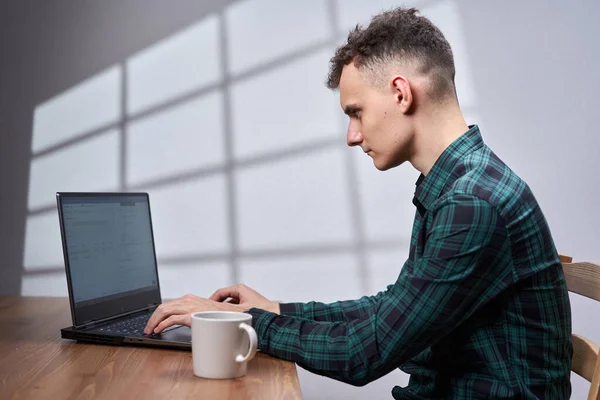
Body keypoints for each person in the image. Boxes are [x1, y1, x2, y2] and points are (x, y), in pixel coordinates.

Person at [144, 7, 572, 399]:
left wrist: (238, 323)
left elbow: (365, 352)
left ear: (401, 93)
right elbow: (392, 310)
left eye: (356, 112)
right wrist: (275, 309)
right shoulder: (459, 187)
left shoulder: (473, 204)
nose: (352, 135)